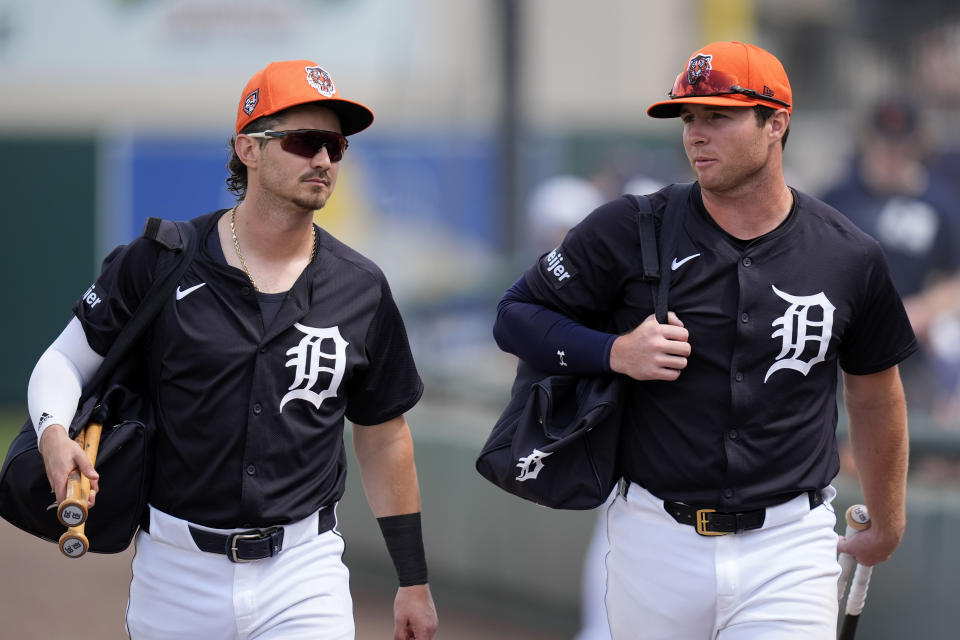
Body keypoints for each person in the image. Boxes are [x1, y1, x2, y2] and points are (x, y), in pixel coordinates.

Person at [492, 41, 916, 638]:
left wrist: (889, 518)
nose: (696, 134)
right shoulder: (629, 226)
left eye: (718, 116)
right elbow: (515, 314)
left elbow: (875, 393)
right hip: (654, 539)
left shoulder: (847, 254)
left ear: (776, 123)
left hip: (789, 544)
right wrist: (615, 352)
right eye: (689, 118)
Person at [28, 60, 439, 639]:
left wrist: (413, 580)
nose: (323, 160)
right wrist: (52, 433)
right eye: (303, 141)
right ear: (248, 148)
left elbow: (383, 434)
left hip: (303, 569)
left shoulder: (361, 286)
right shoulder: (161, 260)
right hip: (176, 570)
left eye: (335, 145)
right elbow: (64, 362)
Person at [821, 99, 960, 426]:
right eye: (883, 145)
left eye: (901, 146)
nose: (891, 155)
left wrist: (924, 310)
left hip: (909, 350)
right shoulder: (836, 199)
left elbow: (955, 278)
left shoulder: (938, 204)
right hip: (842, 345)